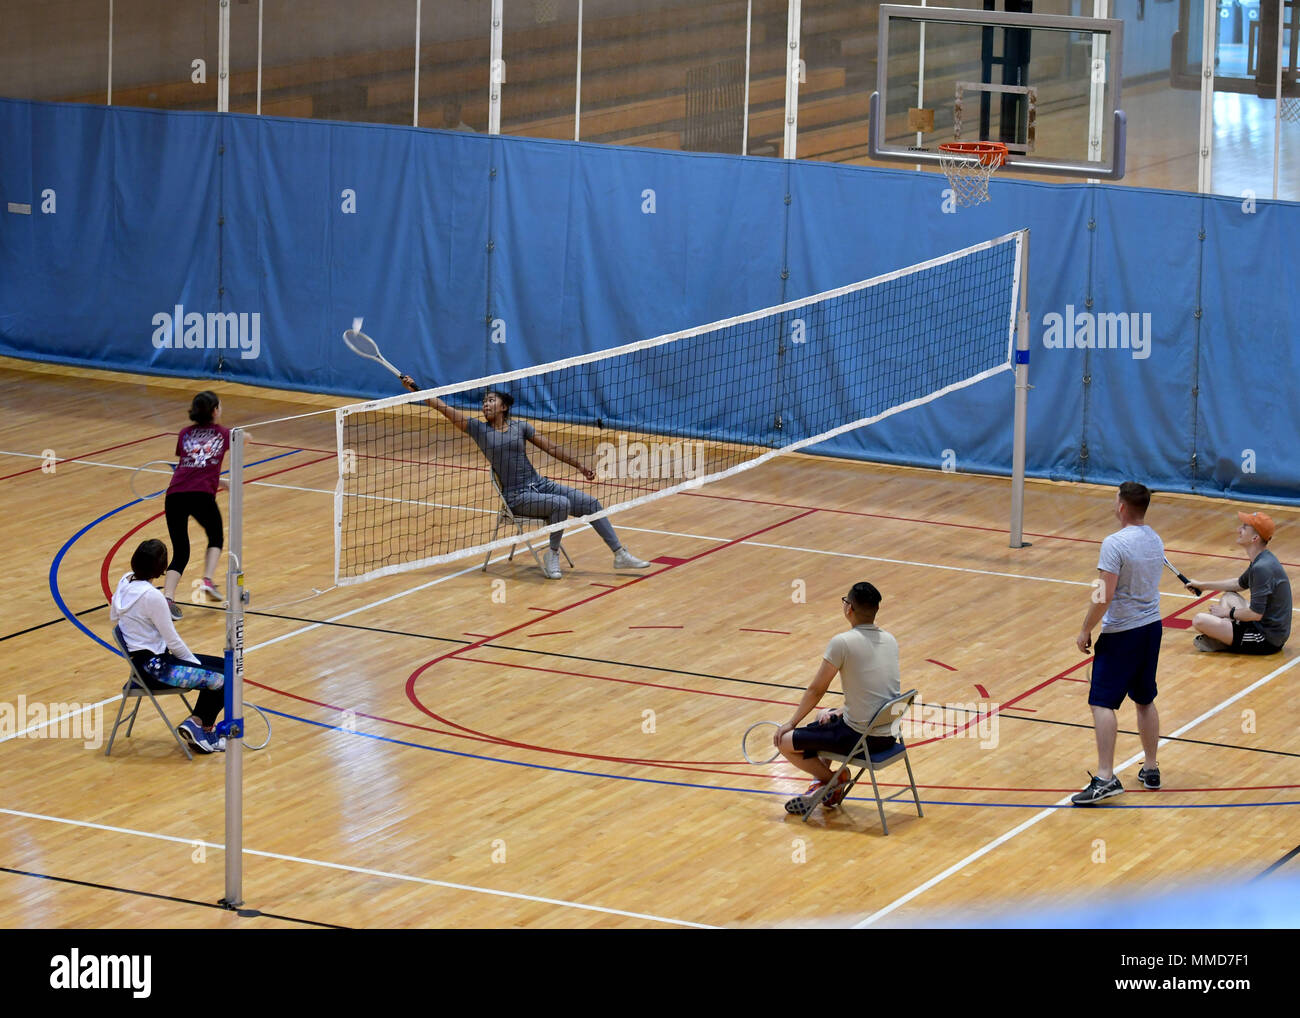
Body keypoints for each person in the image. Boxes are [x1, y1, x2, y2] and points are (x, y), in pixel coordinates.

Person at [400, 376, 651, 579]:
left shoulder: (521, 428)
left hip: (539, 485)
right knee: (561, 504)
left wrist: (580, 466)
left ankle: (619, 554)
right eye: (484, 402)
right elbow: (444, 409)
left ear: (504, 406)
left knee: (591, 505)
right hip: (516, 496)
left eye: (490, 400)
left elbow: (551, 448)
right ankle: (552, 554)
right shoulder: (478, 430)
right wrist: (417, 391)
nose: (485, 405)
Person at [773, 582, 901, 816]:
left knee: (784, 741)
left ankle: (831, 780)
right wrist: (839, 712)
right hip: (887, 736)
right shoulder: (890, 640)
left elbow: (816, 689)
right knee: (823, 715)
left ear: (849, 608)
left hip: (858, 739)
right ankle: (820, 788)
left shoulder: (842, 642)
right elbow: (879, 691)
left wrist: (790, 723)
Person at [1073, 481, 1164, 805]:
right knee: (1144, 699)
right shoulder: (1155, 539)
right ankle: (1151, 768)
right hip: (1151, 628)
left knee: (1102, 702)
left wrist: (1086, 628)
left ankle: (1105, 777)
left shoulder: (1113, 544)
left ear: (1122, 506)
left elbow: (1104, 594)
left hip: (1122, 633)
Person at [111, 539, 227, 754]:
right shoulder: (153, 597)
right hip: (157, 670)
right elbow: (173, 641)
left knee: (225, 666)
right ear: (161, 567)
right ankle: (204, 734)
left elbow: (113, 616)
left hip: (142, 665)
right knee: (222, 679)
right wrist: (193, 663)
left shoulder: (125, 581)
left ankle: (196, 723)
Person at [161, 391, 229, 619]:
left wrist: (218, 480)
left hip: (175, 495)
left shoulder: (184, 434)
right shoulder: (224, 434)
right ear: (214, 411)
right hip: (201, 496)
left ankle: (167, 599)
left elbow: (192, 465)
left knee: (181, 551)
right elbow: (244, 438)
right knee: (216, 536)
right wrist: (245, 436)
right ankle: (207, 580)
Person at [1185, 511, 1291, 654]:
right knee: (1229, 596)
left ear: (1255, 538)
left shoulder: (1262, 568)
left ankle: (1225, 641)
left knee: (1199, 620)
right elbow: (1238, 584)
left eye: (1244, 527)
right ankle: (1225, 638)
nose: (1238, 530)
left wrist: (1227, 612)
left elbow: (1255, 614)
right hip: (1263, 626)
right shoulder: (1262, 559)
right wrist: (1202, 585)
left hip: (1266, 639)